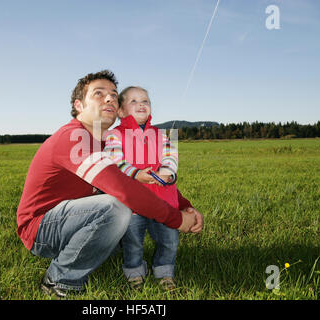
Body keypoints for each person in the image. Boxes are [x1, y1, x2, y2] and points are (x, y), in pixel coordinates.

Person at [16, 70, 203, 298]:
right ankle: (60, 280)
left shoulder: (109, 142)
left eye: (114, 95)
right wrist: (176, 219)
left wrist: (183, 206)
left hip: (76, 219)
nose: (109, 99)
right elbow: (124, 188)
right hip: (41, 229)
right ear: (79, 105)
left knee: (123, 217)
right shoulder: (74, 138)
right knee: (117, 207)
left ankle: (100, 251)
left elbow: (147, 180)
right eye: (99, 93)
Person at [104, 86, 185, 291]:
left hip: (163, 199)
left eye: (145, 101)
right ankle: (134, 272)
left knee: (169, 240)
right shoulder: (114, 135)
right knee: (132, 241)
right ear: (121, 111)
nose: (141, 104)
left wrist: (168, 173)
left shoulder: (161, 134)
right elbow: (114, 161)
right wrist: (136, 174)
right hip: (132, 203)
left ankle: (164, 271)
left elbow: (170, 157)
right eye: (133, 101)